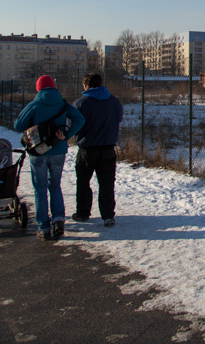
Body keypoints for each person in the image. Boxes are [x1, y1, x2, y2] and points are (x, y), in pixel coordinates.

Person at [14, 75, 85, 241]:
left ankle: (43, 227)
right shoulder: (63, 104)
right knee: (55, 185)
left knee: (40, 189)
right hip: (58, 150)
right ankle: (58, 220)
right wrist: (67, 134)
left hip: (38, 152)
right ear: (53, 87)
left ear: (38, 88)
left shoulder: (34, 105)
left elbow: (18, 125)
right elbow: (80, 119)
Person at [72, 72, 123, 227]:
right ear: (101, 84)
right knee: (107, 184)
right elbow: (119, 118)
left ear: (86, 85)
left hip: (87, 148)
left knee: (83, 182)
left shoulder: (81, 103)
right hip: (108, 148)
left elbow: (73, 124)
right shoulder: (113, 101)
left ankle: (83, 212)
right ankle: (108, 215)